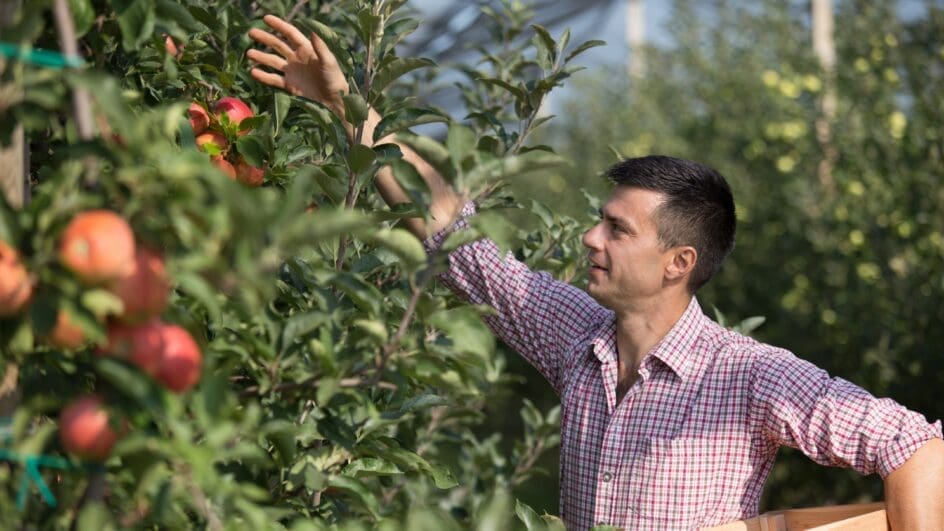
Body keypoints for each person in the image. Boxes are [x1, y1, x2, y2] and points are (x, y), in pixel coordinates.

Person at [247, 14, 944, 530]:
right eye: (598, 219)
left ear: (679, 263)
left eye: (617, 228)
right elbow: (450, 230)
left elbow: (915, 444)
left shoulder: (747, 376)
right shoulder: (573, 335)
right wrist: (347, 106)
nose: (590, 237)